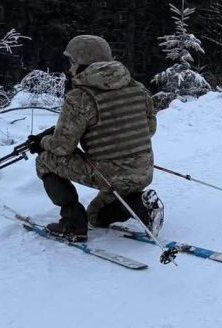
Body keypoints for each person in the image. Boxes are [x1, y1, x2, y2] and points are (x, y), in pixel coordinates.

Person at [27, 34, 160, 242]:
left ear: (79, 64)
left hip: (107, 174)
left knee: (45, 160)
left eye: (69, 62)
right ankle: (139, 204)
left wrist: (40, 143)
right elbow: (149, 129)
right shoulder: (137, 87)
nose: (67, 68)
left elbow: (62, 148)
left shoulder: (80, 97)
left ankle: (72, 223)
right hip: (143, 170)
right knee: (96, 217)